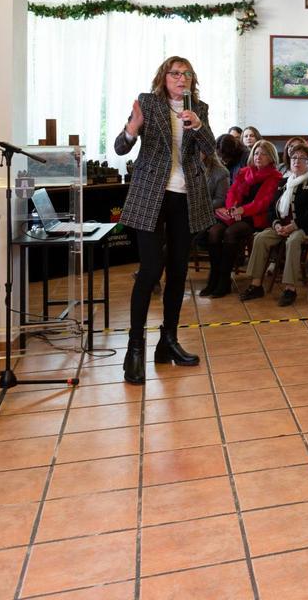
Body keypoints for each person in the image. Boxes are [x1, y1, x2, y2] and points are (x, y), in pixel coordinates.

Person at [114, 56, 215, 385]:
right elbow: (119, 147)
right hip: (150, 196)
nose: (181, 78)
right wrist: (132, 128)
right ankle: (135, 349)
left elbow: (210, 147)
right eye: (175, 73)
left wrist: (197, 125)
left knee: (178, 270)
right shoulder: (148, 103)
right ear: (164, 77)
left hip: (185, 196)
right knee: (151, 269)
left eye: (187, 74)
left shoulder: (198, 107)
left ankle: (167, 342)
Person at [238, 142, 308, 306]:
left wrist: (294, 225)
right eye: (294, 157)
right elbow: (272, 209)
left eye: (302, 158)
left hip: (306, 227)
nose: (296, 161)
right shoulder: (284, 182)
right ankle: (256, 285)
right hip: (283, 226)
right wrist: (276, 224)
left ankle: (290, 289)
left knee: (293, 241)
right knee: (260, 238)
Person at [201, 139, 280, 299]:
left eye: (264, 154)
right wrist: (232, 208)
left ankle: (224, 280)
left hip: (254, 217)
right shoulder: (245, 172)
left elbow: (262, 203)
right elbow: (232, 193)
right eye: (257, 153)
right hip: (236, 212)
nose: (259, 156)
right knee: (214, 232)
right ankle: (213, 277)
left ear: (271, 158)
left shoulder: (274, 176)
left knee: (230, 232)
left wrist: (241, 211)